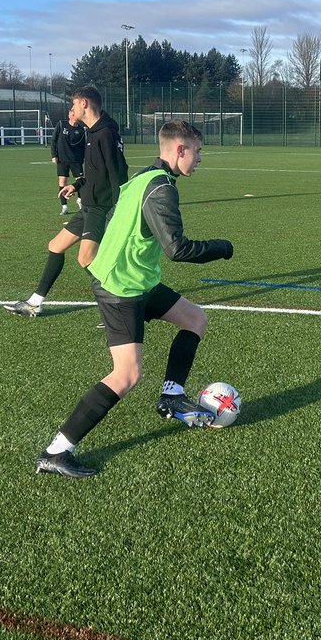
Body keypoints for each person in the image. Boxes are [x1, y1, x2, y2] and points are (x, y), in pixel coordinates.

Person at [35, 120, 235, 479]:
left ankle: (171, 396)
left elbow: (116, 217)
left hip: (137, 281)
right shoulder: (160, 189)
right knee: (126, 375)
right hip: (121, 287)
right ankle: (56, 451)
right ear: (180, 150)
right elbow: (178, 249)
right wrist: (221, 247)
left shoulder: (146, 177)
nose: (200, 158)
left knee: (195, 319)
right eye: (198, 151)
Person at [3, 85, 128, 317]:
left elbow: (118, 174)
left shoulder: (105, 133)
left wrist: (118, 210)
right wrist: (76, 185)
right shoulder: (93, 131)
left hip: (101, 207)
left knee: (86, 258)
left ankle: (117, 307)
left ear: (84, 104)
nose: (71, 109)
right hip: (89, 205)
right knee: (55, 246)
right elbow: (93, 172)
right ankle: (35, 302)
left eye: (73, 104)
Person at [51, 111, 86, 214]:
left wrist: (83, 158)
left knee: (80, 181)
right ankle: (64, 206)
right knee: (62, 181)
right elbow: (54, 139)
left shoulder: (81, 130)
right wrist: (54, 155)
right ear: (69, 115)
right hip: (62, 159)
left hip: (76, 160)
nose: (75, 116)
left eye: (76, 114)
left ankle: (80, 201)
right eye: (73, 114)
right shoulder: (61, 124)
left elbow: (83, 146)